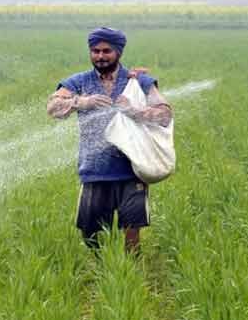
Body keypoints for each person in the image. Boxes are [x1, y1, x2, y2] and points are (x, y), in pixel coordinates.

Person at [46, 27, 172, 253]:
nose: (100, 56)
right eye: (95, 51)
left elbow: (164, 114)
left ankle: (130, 274)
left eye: (106, 51)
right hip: (94, 168)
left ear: (119, 52)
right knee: (90, 233)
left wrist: (135, 111)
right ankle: (99, 270)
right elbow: (53, 108)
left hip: (131, 168)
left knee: (132, 230)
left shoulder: (138, 81)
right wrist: (81, 102)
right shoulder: (79, 82)